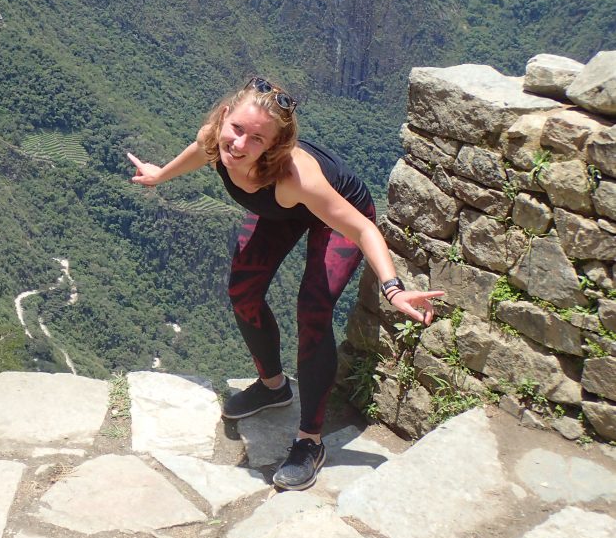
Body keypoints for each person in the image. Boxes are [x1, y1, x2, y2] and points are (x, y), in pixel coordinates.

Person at [126, 76, 442, 491]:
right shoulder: (215, 138)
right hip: (282, 212)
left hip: (335, 215)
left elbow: (364, 229)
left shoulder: (295, 177)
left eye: (256, 139)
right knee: (243, 291)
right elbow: (198, 152)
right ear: (224, 117)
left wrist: (393, 287)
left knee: (313, 310)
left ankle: (310, 440)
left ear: (273, 146)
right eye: (236, 129)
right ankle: (273, 388)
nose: (238, 144)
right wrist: (159, 175)